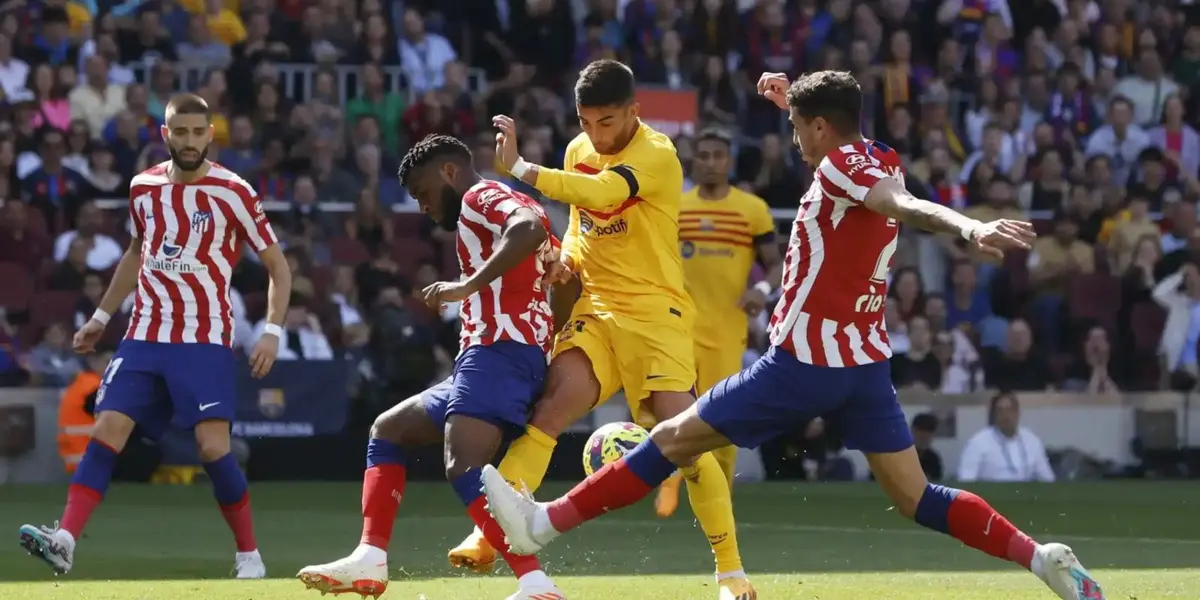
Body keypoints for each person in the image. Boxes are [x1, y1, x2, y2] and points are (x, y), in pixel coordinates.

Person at [480, 70, 1106, 600]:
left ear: (822, 130)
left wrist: (969, 230)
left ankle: (543, 525)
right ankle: (1039, 556)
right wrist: (791, 102)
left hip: (802, 362)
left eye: (801, 128)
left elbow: (901, 205)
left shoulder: (843, 169)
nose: (798, 142)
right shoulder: (875, 151)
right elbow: (866, 169)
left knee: (671, 439)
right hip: (865, 367)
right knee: (917, 497)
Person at [449, 59, 753, 598]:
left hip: (658, 315)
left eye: (606, 122)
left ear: (634, 112)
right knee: (550, 410)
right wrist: (565, 261)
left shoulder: (658, 155)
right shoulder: (578, 151)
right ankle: (489, 532)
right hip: (598, 310)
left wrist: (521, 169)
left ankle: (730, 572)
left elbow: (605, 195)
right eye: (585, 122)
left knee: (685, 437)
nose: (595, 134)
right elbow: (581, 224)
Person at [17, 93, 291, 579]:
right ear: (165, 135)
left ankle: (249, 555)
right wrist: (101, 317)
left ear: (210, 134)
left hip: (204, 337)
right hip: (144, 334)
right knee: (106, 430)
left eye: (197, 132)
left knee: (212, 448)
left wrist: (271, 331)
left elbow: (277, 265)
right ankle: (64, 540)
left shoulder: (234, 191)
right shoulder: (143, 187)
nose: (188, 141)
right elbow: (136, 253)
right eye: (179, 132)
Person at [296, 135, 565, 600]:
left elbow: (529, 231)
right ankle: (371, 558)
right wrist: (545, 343)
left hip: (499, 351)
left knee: (463, 463)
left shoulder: (483, 196)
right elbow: (565, 279)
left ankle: (535, 581)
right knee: (389, 429)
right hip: (492, 356)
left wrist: (467, 288)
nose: (421, 206)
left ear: (448, 173)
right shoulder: (507, 205)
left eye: (422, 193)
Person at [655, 127, 782, 518]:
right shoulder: (676, 205)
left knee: (721, 421)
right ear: (693, 160)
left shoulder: (752, 209)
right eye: (703, 155)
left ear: (728, 161)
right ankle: (668, 484)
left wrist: (760, 289)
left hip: (727, 332)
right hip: (676, 327)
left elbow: (776, 264)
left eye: (717, 156)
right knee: (665, 413)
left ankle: (717, 501)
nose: (710, 162)